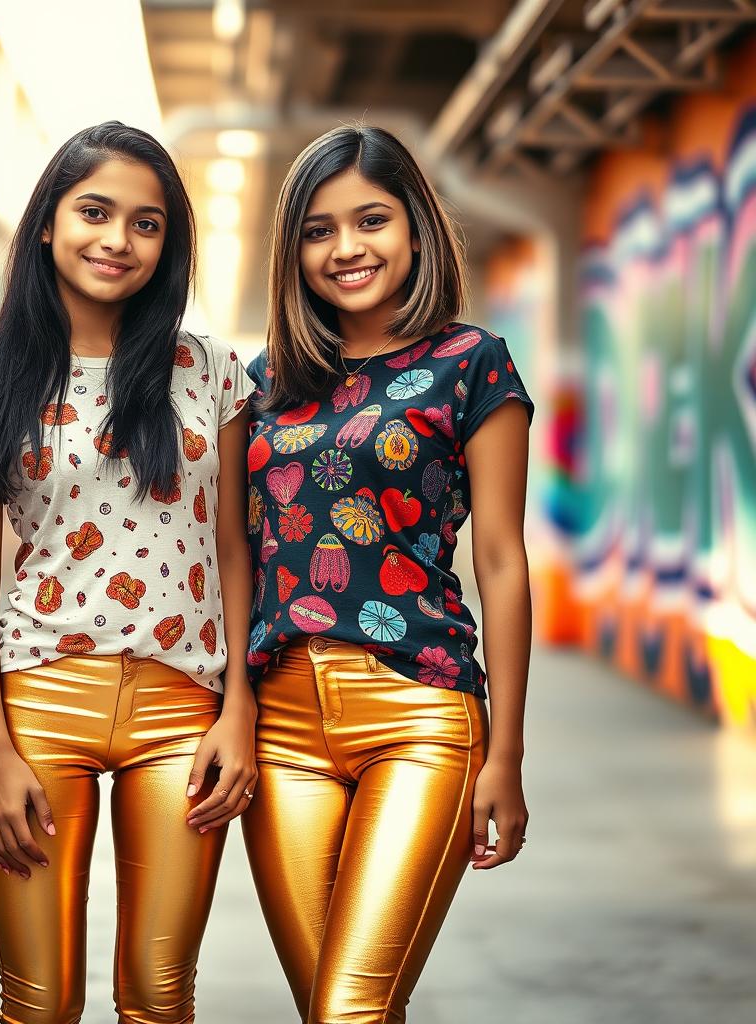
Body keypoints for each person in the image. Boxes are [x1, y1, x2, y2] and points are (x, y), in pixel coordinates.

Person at [0, 121, 257, 1024]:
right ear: (47, 223)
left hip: (182, 711)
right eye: (96, 212)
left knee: (158, 997)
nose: (118, 239)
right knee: (38, 1002)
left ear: (168, 245)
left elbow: (235, 549)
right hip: (37, 707)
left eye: (147, 224)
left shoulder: (212, 372)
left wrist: (241, 707)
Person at [241, 124, 533, 1023]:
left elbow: (501, 561)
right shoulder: (265, 382)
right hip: (280, 728)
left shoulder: (469, 361)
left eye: (370, 220)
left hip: (420, 709)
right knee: (346, 1007)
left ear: (415, 229)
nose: (346, 249)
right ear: (294, 253)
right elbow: (236, 556)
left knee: (349, 1009)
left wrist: (509, 754)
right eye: (319, 231)